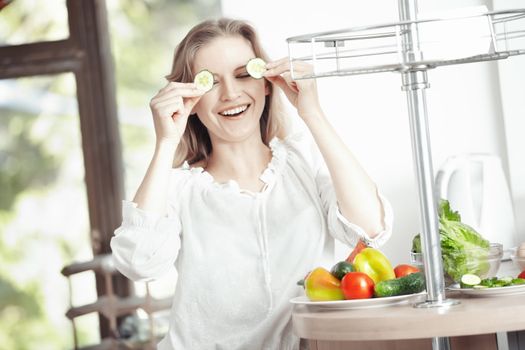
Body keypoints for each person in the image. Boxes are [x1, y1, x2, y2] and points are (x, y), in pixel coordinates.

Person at [110, 18, 393, 350]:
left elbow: (370, 228)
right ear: (190, 99)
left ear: (267, 83)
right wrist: (165, 143)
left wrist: (312, 113)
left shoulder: (303, 161)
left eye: (244, 75)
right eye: (210, 83)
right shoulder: (179, 189)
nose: (231, 93)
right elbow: (139, 264)